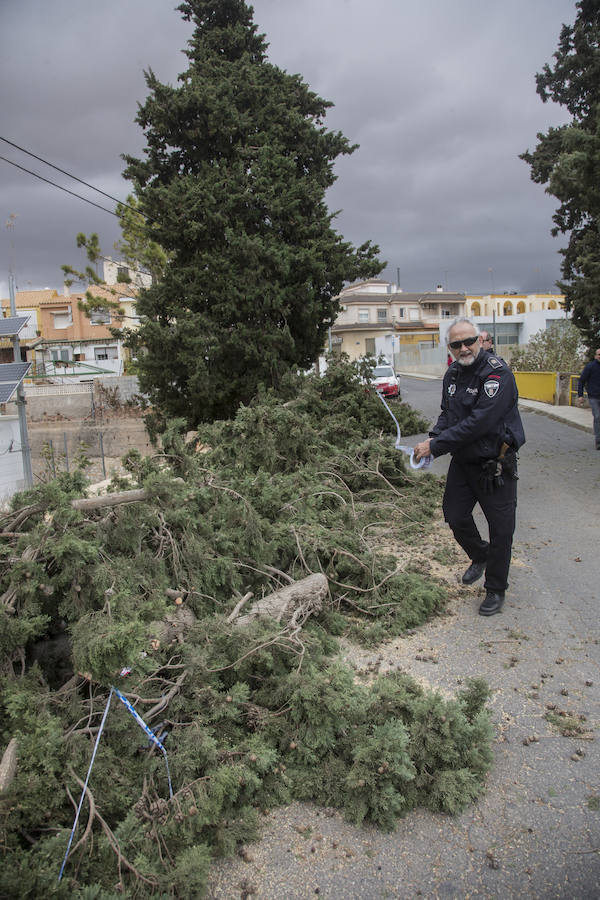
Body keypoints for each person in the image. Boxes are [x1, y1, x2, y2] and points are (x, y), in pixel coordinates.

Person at [414, 317, 525, 616]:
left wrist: (436, 446)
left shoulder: (496, 375)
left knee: (502, 530)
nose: (463, 348)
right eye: (456, 344)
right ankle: (480, 554)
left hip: (495, 465)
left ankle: (495, 589)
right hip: (463, 462)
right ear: (449, 347)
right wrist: (433, 439)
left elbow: (480, 423)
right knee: (455, 515)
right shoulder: (452, 374)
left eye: (468, 341)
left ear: (480, 340)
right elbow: (447, 415)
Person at [576, 348, 600, 450]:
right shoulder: (590, 367)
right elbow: (581, 380)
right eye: (599, 355)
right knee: (598, 417)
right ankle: (598, 441)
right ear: (595, 356)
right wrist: (580, 395)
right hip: (594, 397)